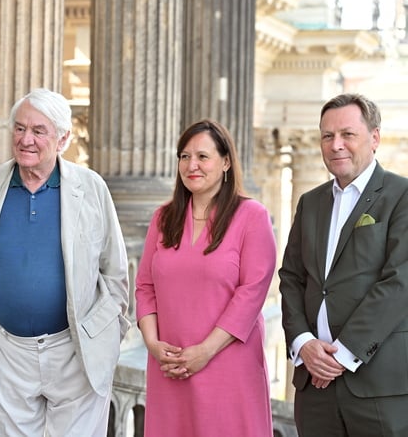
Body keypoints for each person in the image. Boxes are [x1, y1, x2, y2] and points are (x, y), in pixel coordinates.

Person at [0, 88, 130, 436]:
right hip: (9, 352)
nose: (26, 140)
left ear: (63, 139)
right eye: (20, 128)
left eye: (39, 131)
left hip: (76, 351)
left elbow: (114, 271)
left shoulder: (91, 188)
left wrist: (108, 333)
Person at [135, 119, 276, 436]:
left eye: (202, 156)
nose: (191, 165)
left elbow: (252, 293)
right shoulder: (163, 217)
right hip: (169, 367)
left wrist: (205, 351)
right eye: (184, 156)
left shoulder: (252, 217)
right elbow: (144, 287)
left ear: (226, 162)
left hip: (227, 365)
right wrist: (153, 343)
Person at [279, 93, 408, 436]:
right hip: (313, 386)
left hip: (377, 385)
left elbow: (399, 282)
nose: (336, 145)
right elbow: (291, 278)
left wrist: (343, 354)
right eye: (327, 136)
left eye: (347, 134)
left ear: (375, 137)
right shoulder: (310, 203)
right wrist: (303, 342)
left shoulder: (402, 195)